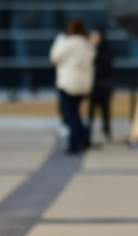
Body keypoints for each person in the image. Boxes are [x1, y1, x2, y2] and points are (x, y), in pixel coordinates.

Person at [49, 19, 95, 154]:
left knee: (70, 115)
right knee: (75, 113)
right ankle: (84, 138)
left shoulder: (68, 43)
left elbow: (54, 57)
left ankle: (73, 144)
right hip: (83, 85)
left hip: (68, 84)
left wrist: (60, 40)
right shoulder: (87, 44)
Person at [87, 28, 114, 143]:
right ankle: (88, 132)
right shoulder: (88, 49)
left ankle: (106, 131)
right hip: (92, 85)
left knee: (105, 110)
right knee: (91, 111)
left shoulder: (105, 50)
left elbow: (107, 67)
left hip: (104, 85)